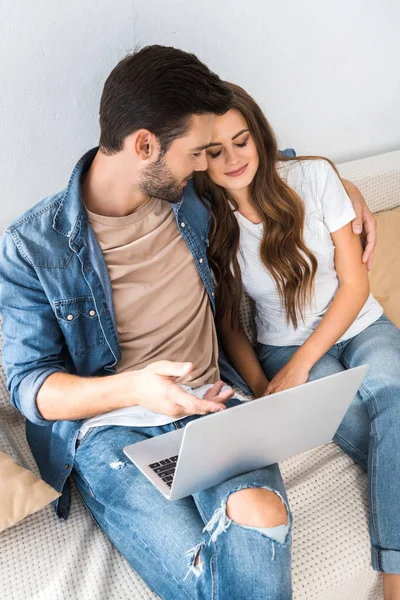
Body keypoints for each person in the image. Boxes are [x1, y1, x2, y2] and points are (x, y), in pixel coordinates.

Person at [0, 46, 376, 600]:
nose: (208, 164)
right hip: (112, 429)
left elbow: (275, 166)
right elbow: (29, 388)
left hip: (213, 404)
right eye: (197, 151)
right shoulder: (34, 245)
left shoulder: (189, 196)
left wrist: (347, 189)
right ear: (145, 145)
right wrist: (136, 387)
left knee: (258, 511)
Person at [194, 81, 400, 599]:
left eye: (242, 140)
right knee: (363, 428)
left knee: (394, 402)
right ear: (200, 160)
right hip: (281, 347)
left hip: (359, 324)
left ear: (259, 135)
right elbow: (230, 327)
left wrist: (300, 367)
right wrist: (267, 387)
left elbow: (355, 285)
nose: (234, 158)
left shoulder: (314, 177)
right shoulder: (210, 223)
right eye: (216, 151)